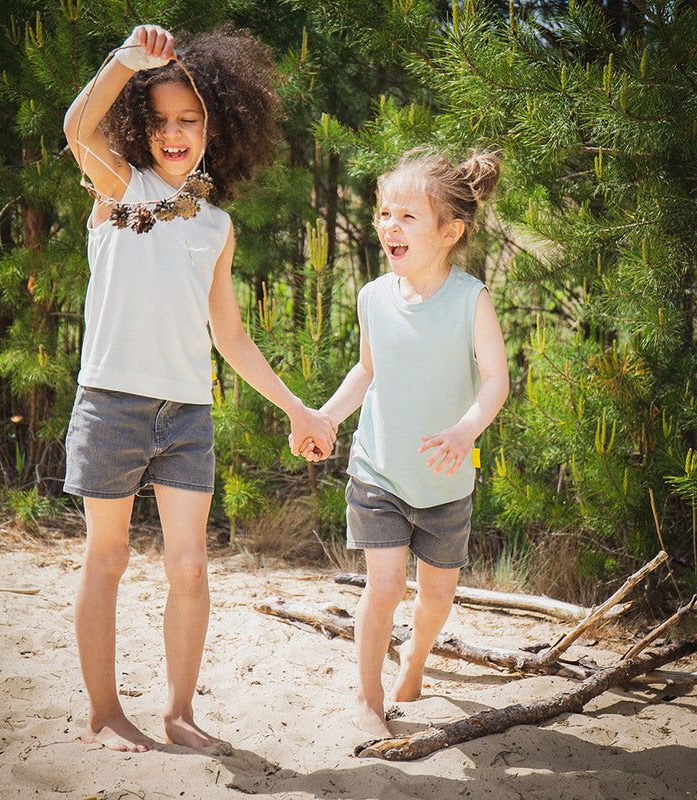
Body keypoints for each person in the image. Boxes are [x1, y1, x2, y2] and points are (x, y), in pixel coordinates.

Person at [62, 24, 336, 753]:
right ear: (138, 129)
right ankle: (105, 713)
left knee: (189, 564)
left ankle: (180, 713)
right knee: (109, 558)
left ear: (219, 125)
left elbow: (231, 336)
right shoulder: (120, 187)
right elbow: (75, 126)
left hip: (186, 413)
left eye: (190, 120)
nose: (174, 133)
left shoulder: (215, 223)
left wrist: (298, 408)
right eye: (158, 121)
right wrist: (126, 58)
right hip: (111, 403)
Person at [302, 147, 508, 737]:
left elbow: (497, 378)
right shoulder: (372, 297)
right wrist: (326, 417)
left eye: (407, 216)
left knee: (437, 595)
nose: (389, 226)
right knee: (384, 583)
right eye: (384, 213)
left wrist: (467, 430)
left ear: (450, 231)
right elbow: (367, 371)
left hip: (446, 484)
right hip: (380, 473)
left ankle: (416, 658)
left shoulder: (471, 299)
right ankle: (369, 701)